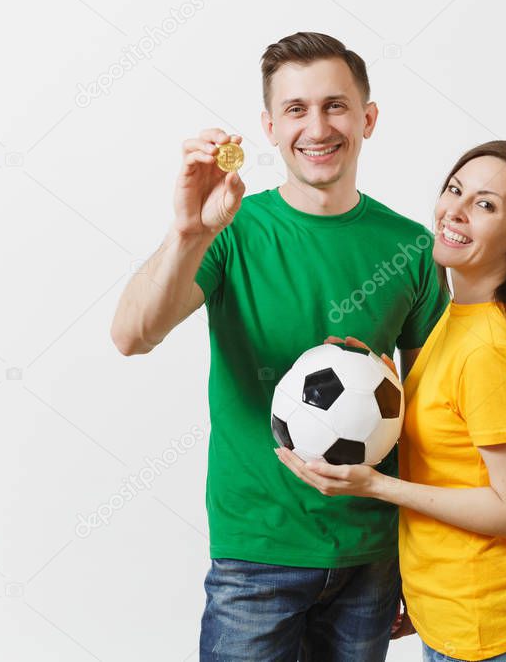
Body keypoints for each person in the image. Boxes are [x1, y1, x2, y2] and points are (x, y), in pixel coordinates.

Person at [110, 32, 448, 660]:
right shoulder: (231, 231)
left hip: (371, 557)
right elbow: (133, 335)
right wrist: (187, 232)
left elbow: (434, 416)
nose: (317, 127)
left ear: (368, 118)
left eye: (335, 105)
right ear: (269, 127)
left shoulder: (413, 249)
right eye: (296, 109)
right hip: (256, 554)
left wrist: (420, 554)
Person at [277, 140, 506, 662]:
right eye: (454, 190)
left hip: (491, 634)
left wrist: (376, 485)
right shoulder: (459, 318)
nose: (454, 212)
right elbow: (451, 455)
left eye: (485, 204)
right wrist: (373, 381)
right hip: (456, 620)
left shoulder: (493, 350)